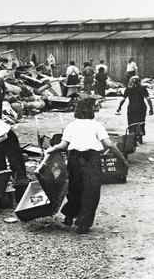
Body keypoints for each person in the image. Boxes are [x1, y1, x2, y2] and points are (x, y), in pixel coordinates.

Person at [47, 97, 128, 234]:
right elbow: (108, 144)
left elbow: (63, 145)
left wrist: (52, 149)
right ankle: (83, 224)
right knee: (91, 190)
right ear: (91, 111)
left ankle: (70, 214)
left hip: (74, 158)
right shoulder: (96, 125)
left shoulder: (71, 125)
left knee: (75, 187)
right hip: (91, 158)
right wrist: (122, 159)